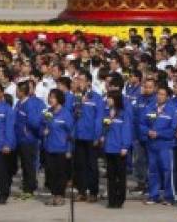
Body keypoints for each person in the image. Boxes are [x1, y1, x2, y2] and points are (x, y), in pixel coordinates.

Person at [141, 85, 177, 205]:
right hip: (152, 144)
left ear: (167, 97)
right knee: (152, 170)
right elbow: (142, 123)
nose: (160, 96)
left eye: (163, 94)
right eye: (158, 94)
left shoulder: (172, 110)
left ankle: (168, 197)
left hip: (165, 145)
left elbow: (173, 129)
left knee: (167, 171)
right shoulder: (150, 108)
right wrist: (148, 131)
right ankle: (153, 195)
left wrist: (159, 133)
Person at [73, 70, 104, 203]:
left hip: (91, 136)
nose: (79, 82)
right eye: (77, 80)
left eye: (81, 80)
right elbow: (71, 115)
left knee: (92, 165)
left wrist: (97, 136)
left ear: (89, 82)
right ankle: (81, 191)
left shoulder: (96, 97)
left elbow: (99, 118)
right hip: (78, 136)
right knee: (80, 165)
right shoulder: (75, 97)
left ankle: (93, 192)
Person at [41, 88, 73, 207]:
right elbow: (42, 126)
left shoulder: (66, 114)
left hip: (61, 148)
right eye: (50, 97)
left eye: (53, 97)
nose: (50, 99)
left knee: (61, 173)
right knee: (51, 173)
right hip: (49, 147)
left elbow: (71, 133)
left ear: (59, 99)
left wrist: (69, 149)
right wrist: (43, 131)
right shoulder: (48, 112)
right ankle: (53, 194)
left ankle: (60, 195)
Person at [14, 80, 46, 199]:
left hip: (29, 140)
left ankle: (30, 189)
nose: (16, 92)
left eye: (17, 90)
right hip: (20, 139)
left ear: (22, 92)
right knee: (24, 165)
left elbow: (34, 122)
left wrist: (27, 130)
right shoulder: (19, 103)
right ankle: (26, 187)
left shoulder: (30, 104)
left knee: (29, 165)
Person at [102, 89, 132, 209]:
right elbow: (103, 127)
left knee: (120, 175)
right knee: (111, 176)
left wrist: (125, 146)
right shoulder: (107, 112)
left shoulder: (123, 113)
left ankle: (120, 199)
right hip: (109, 148)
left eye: (110, 98)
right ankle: (111, 199)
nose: (108, 100)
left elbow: (127, 130)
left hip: (119, 148)